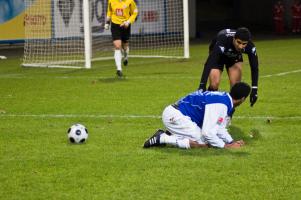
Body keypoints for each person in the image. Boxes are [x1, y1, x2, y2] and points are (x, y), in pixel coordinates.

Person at [143, 82, 251, 149]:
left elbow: (219, 128)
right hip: (175, 116)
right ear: (243, 99)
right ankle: (163, 138)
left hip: (177, 114)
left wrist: (231, 141)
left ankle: (170, 134)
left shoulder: (224, 99)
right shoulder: (221, 104)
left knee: (211, 140)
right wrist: (226, 147)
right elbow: (208, 132)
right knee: (204, 142)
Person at [198, 27, 258, 107]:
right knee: (214, 84)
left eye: (244, 44)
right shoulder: (223, 40)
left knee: (236, 91)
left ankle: (227, 114)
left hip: (233, 57)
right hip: (218, 57)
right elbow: (209, 63)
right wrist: (202, 85)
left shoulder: (250, 46)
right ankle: (208, 107)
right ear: (234, 39)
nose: (240, 46)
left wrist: (254, 89)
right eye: (239, 42)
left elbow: (254, 67)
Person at [105, 0, 138, 77]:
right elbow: (109, 11)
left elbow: (135, 12)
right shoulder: (111, 1)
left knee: (125, 46)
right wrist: (107, 22)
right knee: (117, 46)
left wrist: (128, 22)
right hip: (115, 25)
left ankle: (126, 57)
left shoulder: (130, 1)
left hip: (125, 24)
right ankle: (119, 69)